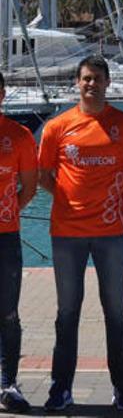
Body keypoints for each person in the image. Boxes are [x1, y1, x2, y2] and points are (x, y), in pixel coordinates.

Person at [37, 56, 123, 411]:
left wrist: (114, 196)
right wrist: (69, 200)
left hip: (112, 233)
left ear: (107, 82)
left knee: (115, 311)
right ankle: (60, 389)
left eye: (97, 79)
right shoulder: (57, 126)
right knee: (67, 312)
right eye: (85, 79)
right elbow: (44, 177)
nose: (91, 84)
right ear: (77, 83)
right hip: (66, 233)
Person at [0, 72, 38, 413]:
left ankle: (8, 383)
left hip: (5, 236)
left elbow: (30, 186)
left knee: (8, 314)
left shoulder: (20, 136)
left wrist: (10, 210)